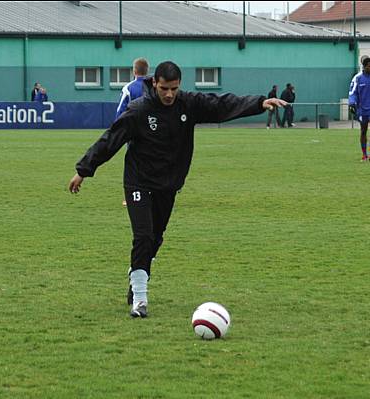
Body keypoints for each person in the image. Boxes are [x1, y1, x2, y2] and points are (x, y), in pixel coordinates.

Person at [68, 61, 286, 318]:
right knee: (144, 236)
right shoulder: (139, 110)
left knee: (155, 239)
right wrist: (84, 170)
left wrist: (258, 103)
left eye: (173, 88)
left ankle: (137, 274)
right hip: (138, 181)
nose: (169, 94)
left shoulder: (188, 104)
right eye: (164, 88)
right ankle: (139, 299)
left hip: (167, 185)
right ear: (154, 84)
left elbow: (221, 104)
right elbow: (110, 140)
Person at [116, 57, 150, 206]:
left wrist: (119, 131)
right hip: (153, 131)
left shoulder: (129, 88)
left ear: (134, 71)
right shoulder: (154, 86)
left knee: (134, 166)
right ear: (147, 70)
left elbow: (120, 112)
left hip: (135, 133)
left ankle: (132, 196)